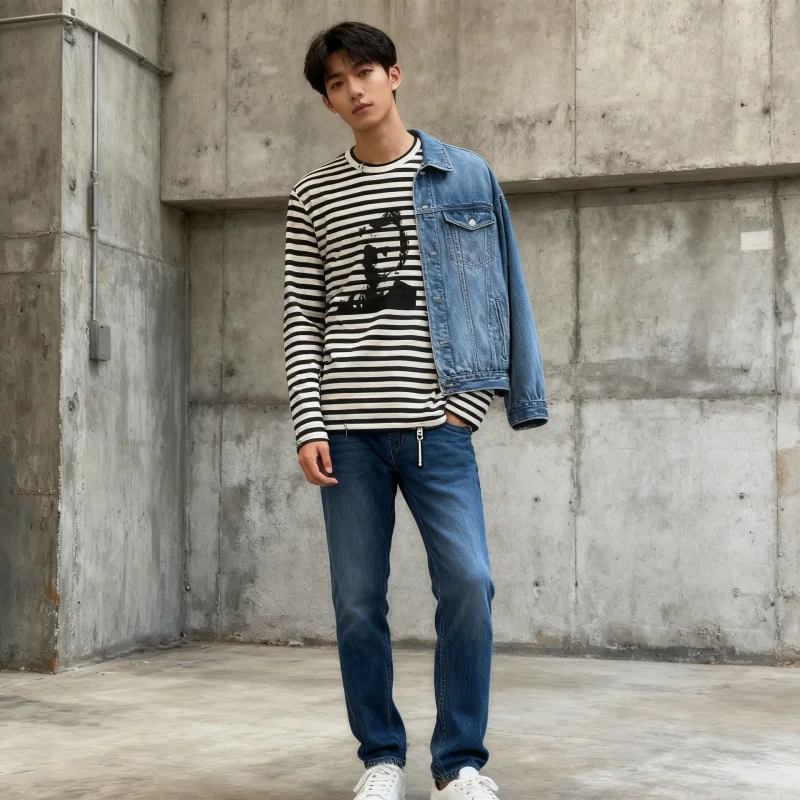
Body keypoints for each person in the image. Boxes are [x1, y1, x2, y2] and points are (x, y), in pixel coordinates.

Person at [282, 20, 547, 800]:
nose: (353, 89)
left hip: (439, 429)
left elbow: (499, 292)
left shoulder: (465, 176)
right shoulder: (312, 196)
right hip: (347, 433)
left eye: (363, 72)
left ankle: (459, 764)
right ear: (328, 102)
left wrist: (466, 404)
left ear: (393, 75)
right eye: (336, 82)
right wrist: (309, 422)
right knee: (357, 603)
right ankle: (381, 758)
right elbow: (303, 316)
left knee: (468, 584)